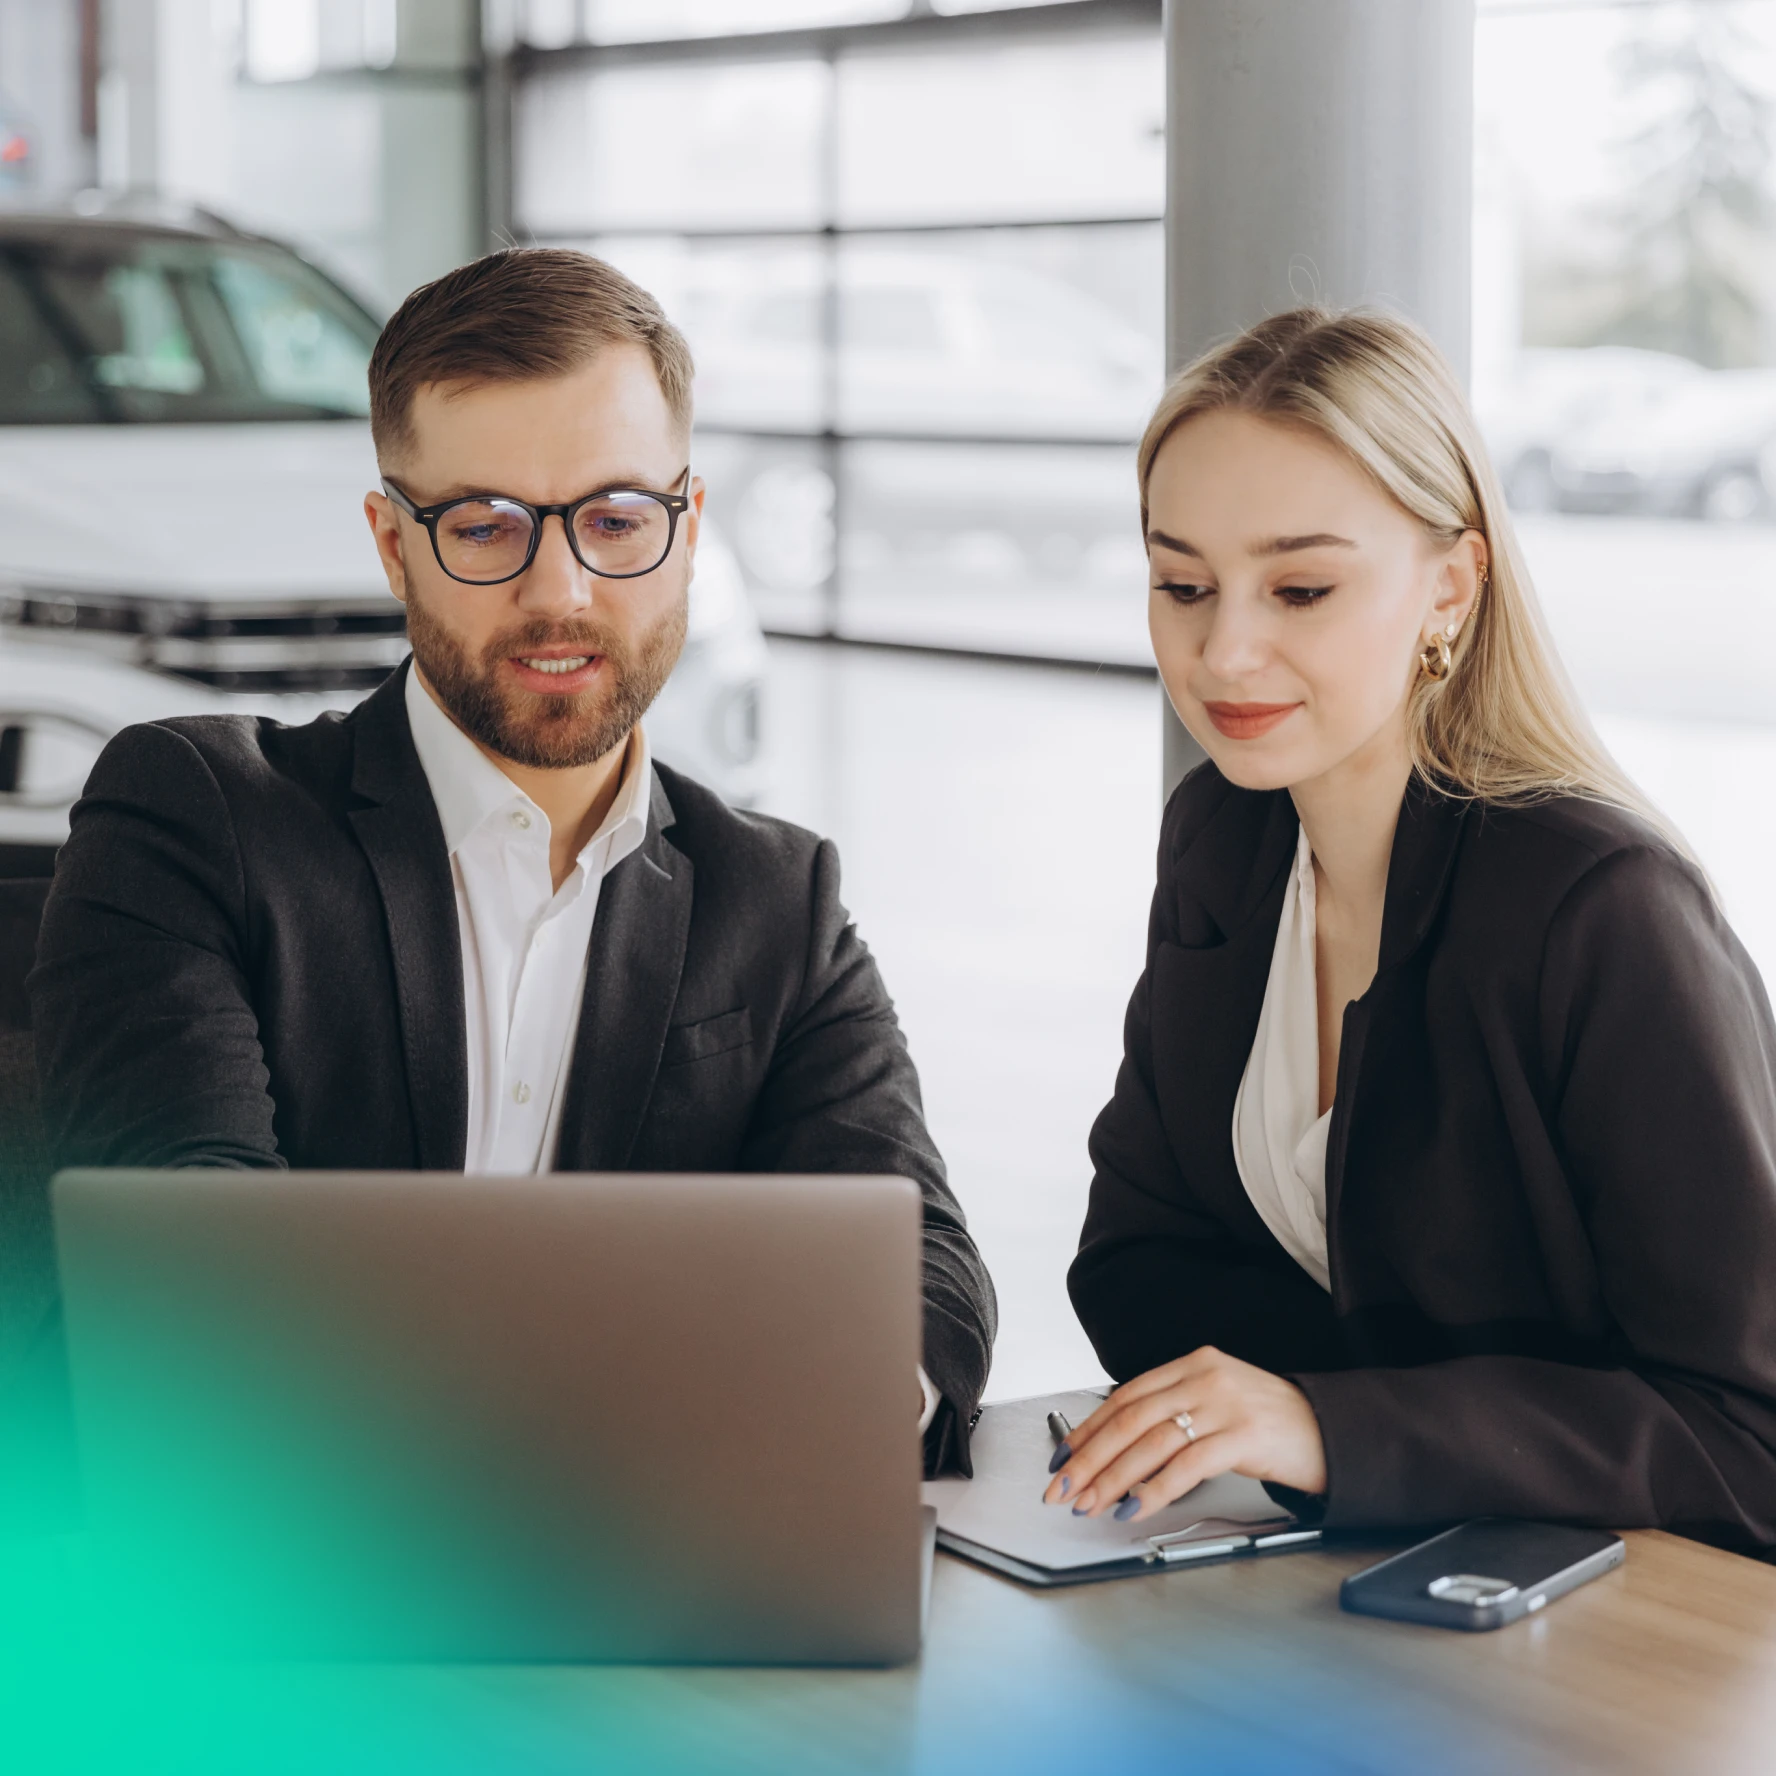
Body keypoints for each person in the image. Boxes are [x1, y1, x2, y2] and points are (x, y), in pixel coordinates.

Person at [30, 248, 994, 1475]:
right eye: (484, 525)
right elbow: (191, 1264)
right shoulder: (198, 819)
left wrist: (845, 1395)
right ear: (393, 546)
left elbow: (928, 1277)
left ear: (689, 532)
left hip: (657, 1576)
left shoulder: (775, 898)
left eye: (616, 520)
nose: (563, 590)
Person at [1046, 307, 1776, 1553]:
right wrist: (1310, 1425)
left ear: (1451, 586)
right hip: (1373, 1585)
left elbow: (1747, 1436)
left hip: (1619, 1657)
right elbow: (1131, 1263)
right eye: (1182, 584)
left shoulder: (1601, 910)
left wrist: (1333, 1428)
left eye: (1302, 587)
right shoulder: (1226, 837)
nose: (1223, 648)